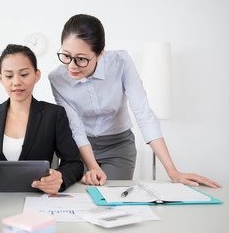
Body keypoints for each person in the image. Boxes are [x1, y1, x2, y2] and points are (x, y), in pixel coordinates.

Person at [48, 14, 221, 188]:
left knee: (116, 200)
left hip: (118, 145)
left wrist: (172, 172)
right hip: (79, 148)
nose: (71, 65)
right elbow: (75, 128)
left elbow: (143, 113)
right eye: (66, 55)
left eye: (81, 59)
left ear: (100, 54)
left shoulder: (121, 62)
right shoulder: (57, 79)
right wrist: (92, 167)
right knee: (79, 202)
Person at [0, 44, 83, 194]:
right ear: (0, 78)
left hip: (38, 200)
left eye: (24, 74)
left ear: (37, 75)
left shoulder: (54, 114)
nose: (16, 82)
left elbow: (74, 163)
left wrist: (60, 177)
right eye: (9, 76)